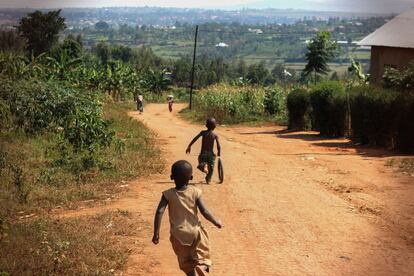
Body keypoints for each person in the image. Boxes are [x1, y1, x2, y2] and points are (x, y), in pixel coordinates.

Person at [152, 160, 222, 276]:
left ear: (171, 177)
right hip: (195, 231)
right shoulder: (195, 192)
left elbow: (159, 211)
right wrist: (216, 221)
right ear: (191, 177)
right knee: (203, 255)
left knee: (186, 264)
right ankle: (202, 267)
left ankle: (192, 272)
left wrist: (156, 233)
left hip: (178, 234)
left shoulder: (167, 194)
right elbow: (204, 211)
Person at [186, 118, 221, 184]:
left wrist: (189, 146)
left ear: (206, 125)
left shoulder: (203, 133)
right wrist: (219, 152)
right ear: (215, 126)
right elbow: (218, 145)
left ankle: (204, 165)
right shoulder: (215, 135)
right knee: (211, 167)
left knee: (200, 164)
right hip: (211, 154)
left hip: (203, 153)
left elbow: (195, 139)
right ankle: (208, 179)